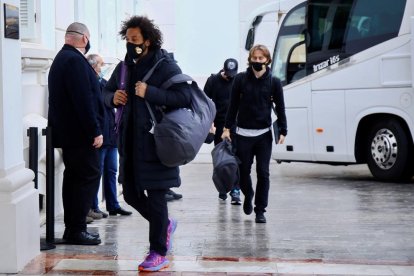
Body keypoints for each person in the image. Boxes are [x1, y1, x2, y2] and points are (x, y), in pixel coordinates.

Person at [103, 16, 191, 272]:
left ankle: (158, 252)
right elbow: (104, 93)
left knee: (156, 197)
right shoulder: (123, 67)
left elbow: (183, 96)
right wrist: (112, 97)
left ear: (148, 41)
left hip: (156, 144)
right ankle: (164, 225)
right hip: (129, 144)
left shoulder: (165, 65)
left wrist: (150, 92)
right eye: (128, 40)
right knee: (129, 194)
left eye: (135, 40)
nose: (130, 45)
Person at [48, 22, 104, 245]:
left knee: (74, 178)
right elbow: (83, 100)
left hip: (70, 133)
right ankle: (77, 229)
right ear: (84, 38)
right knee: (87, 176)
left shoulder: (64, 58)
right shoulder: (73, 60)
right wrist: (95, 131)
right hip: (80, 135)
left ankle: (73, 228)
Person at [221, 44, 287, 224]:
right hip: (242, 134)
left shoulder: (274, 82)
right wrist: (227, 128)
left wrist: (283, 129)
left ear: (267, 60)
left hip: (264, 135)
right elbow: (232, 105)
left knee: (263, 173)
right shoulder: (241, 79)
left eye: (261, 58)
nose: (257, 61)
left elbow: (280, 107)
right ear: (250, 59)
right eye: (254, 58)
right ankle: (248, 194)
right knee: (243, 172)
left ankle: (260, 210)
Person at [86, 54, 133, 217]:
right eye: (100, 64)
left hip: (111, 135)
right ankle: (93, 207)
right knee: (96, 172)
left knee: (111, 171)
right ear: (93, 66)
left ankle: (113, 205)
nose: (103, 67)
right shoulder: (89, 84)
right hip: (99, 136)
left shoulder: (105, 84)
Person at [204, 58, 241, 204]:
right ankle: (222, 187)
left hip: (235, 126)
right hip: (219, 126)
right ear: (223, 69)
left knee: (236, 159)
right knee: (221, 159)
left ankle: (235, 190)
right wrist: (208, 125)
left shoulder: (238, 80)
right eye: (228, 73)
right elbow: (205, 103)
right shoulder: (213, 81)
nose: (230, 76)